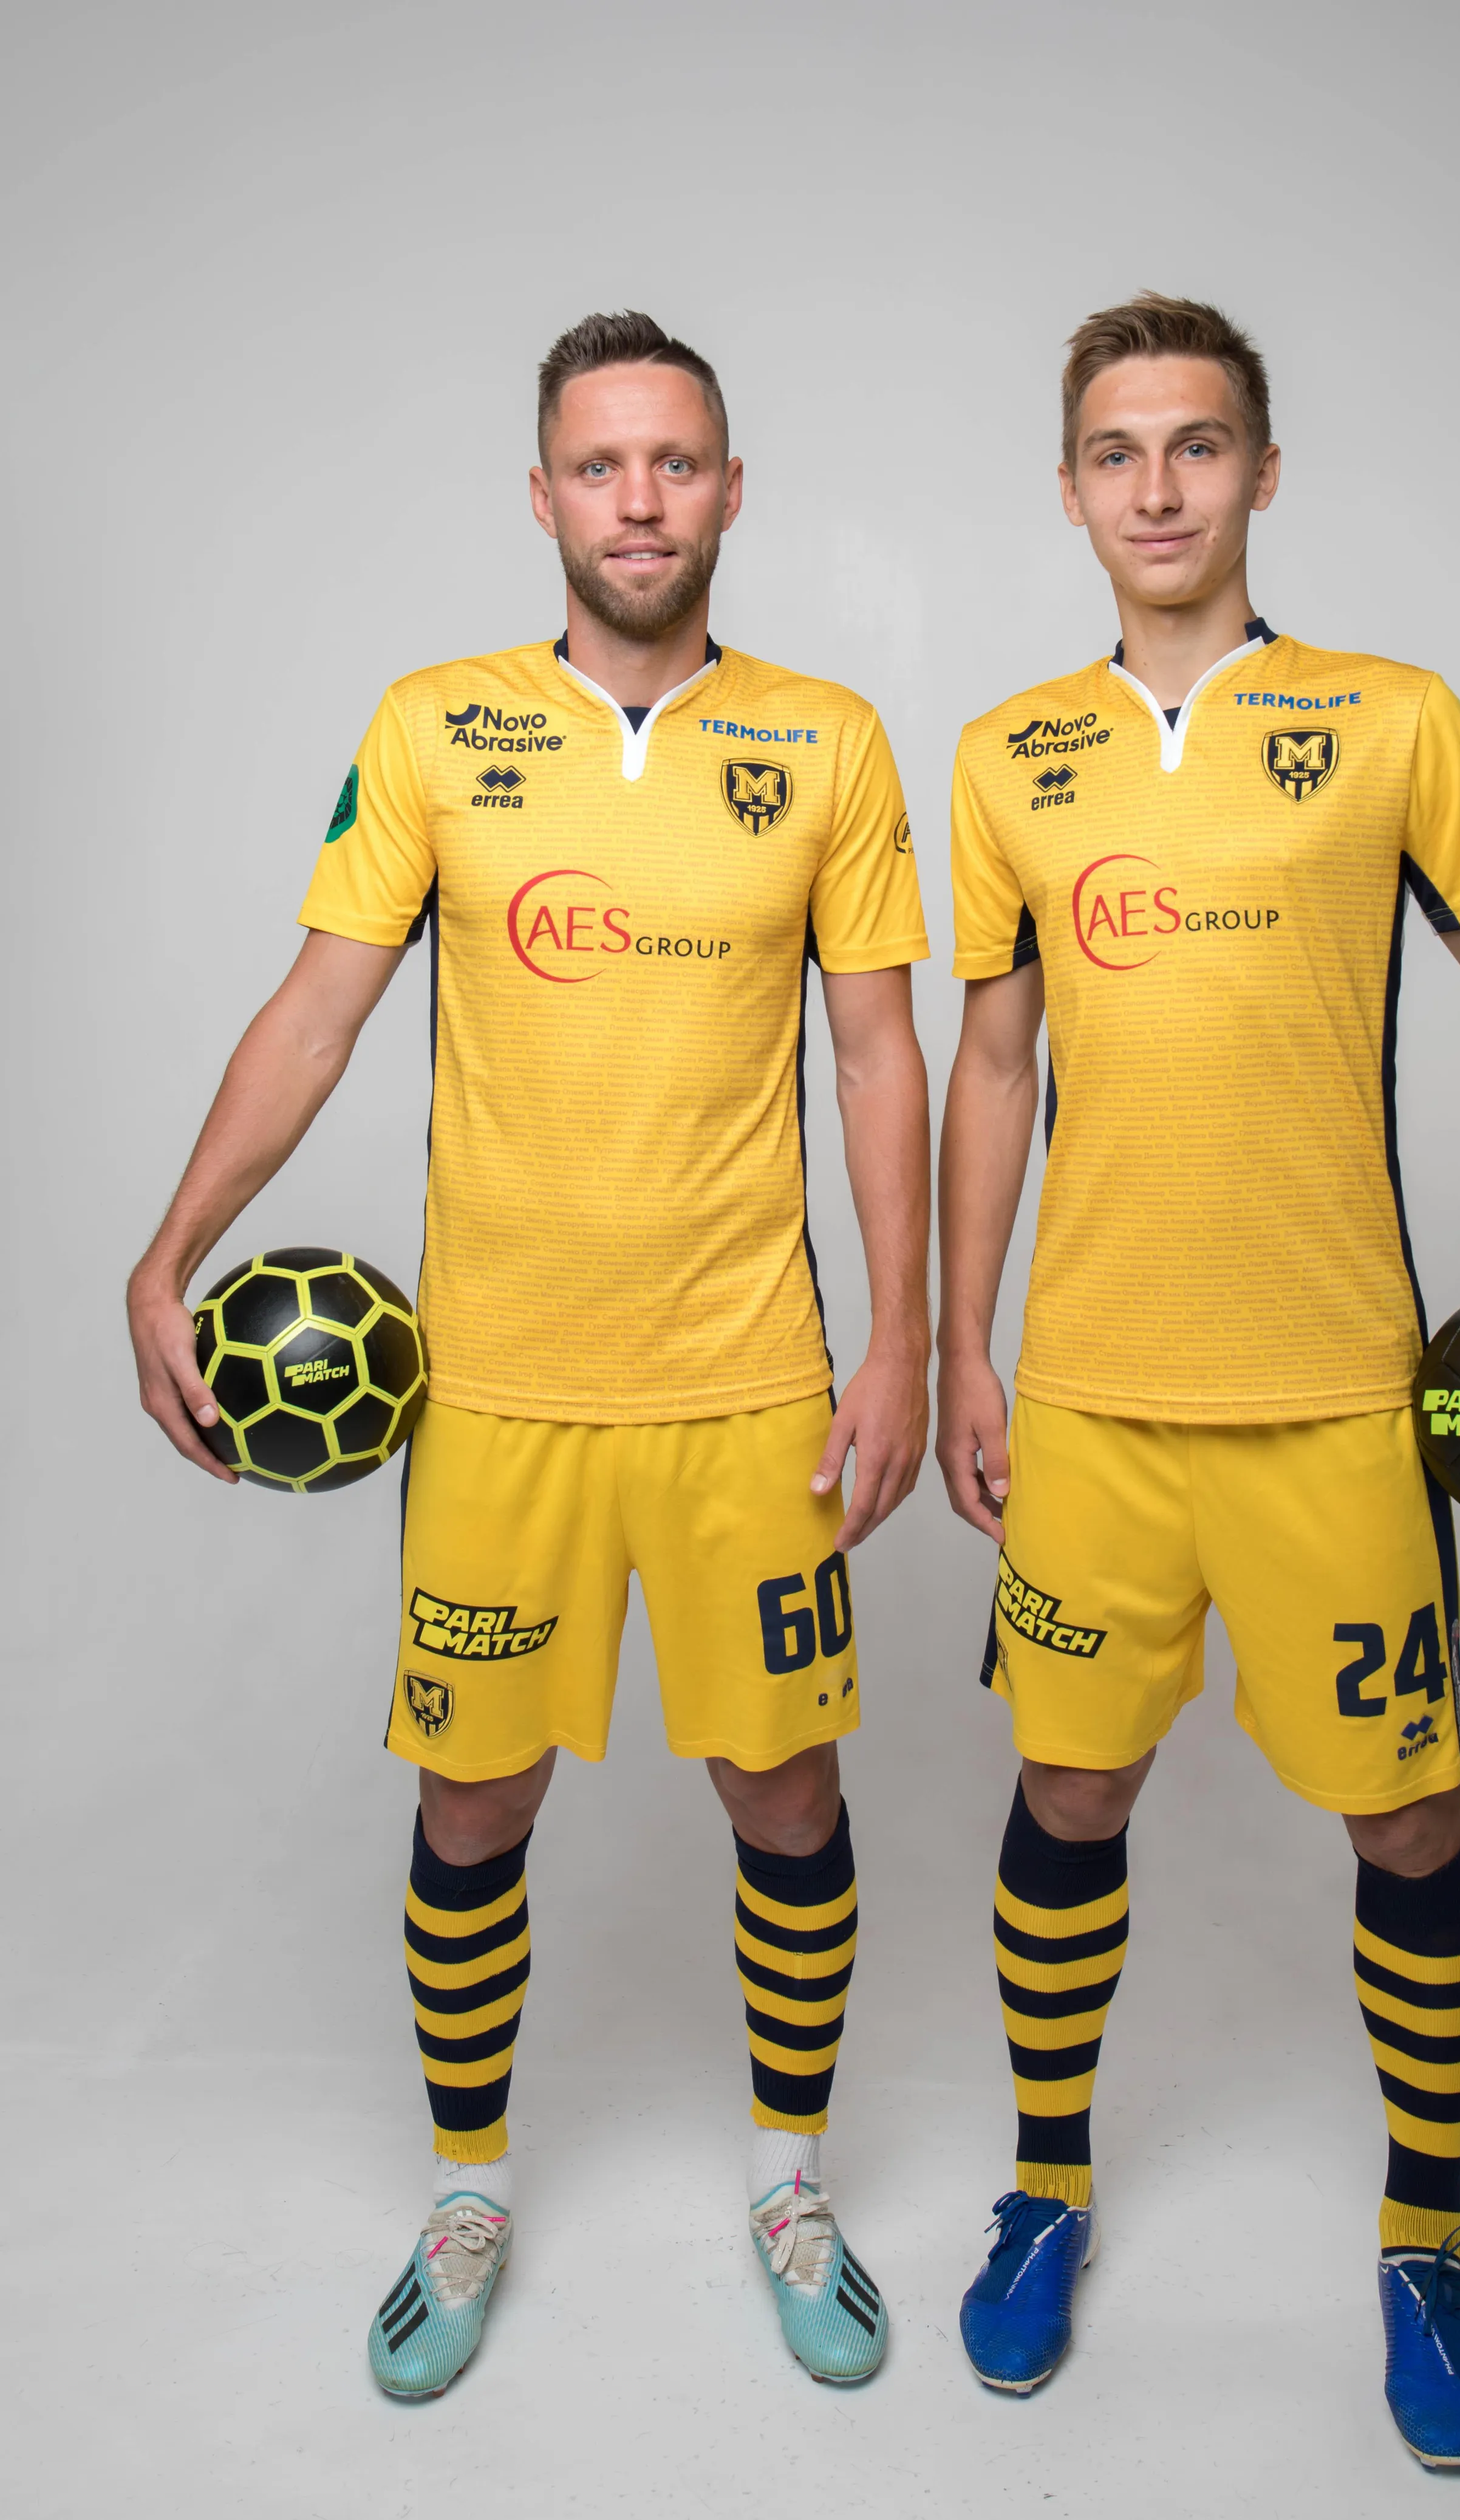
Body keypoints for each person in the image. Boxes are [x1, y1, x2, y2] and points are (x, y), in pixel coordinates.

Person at [934, 292, 1460, 2467]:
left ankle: (1425, 2238)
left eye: (1198, 444)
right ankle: (1046, 2186)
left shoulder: (1391, 722)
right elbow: (989, 1064)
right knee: (1069, 1794)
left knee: (1410, 1816)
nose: (1158, 486)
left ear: (1264, 471)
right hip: (1095, 1403)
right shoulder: (1007, 755)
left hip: (1341, 1403)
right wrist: (960, 1338)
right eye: (1116, 450)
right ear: (1069, 487)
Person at [126, 312, 931, 2398]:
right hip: (493, 1394)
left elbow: (876, 1054)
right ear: (547, 494)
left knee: (786, 1786)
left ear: (732, 488)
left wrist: (908, 1339)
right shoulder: (433, 729)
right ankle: (469, 2189)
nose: (639, 502)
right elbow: (318, 1008)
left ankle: (788, 2178)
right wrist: (171, 1247)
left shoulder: (828, 742)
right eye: (601, 465)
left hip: (750, 1382)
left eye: (675, 463)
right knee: (474, 1799)